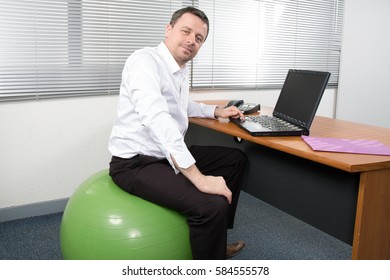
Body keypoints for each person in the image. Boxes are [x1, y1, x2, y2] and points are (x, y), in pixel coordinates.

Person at [108, 6, 247, 260]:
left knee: (236, 160)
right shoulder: (144, 61)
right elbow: (157, 118)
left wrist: (216, 111)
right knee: (212, 206)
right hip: (136, 164)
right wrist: (199, 179)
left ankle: (216, 241)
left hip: (164, 157)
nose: (191, 41)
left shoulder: (179, 70)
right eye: (186, 31)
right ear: (169, 29)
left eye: (199, 38)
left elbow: (181, 106)